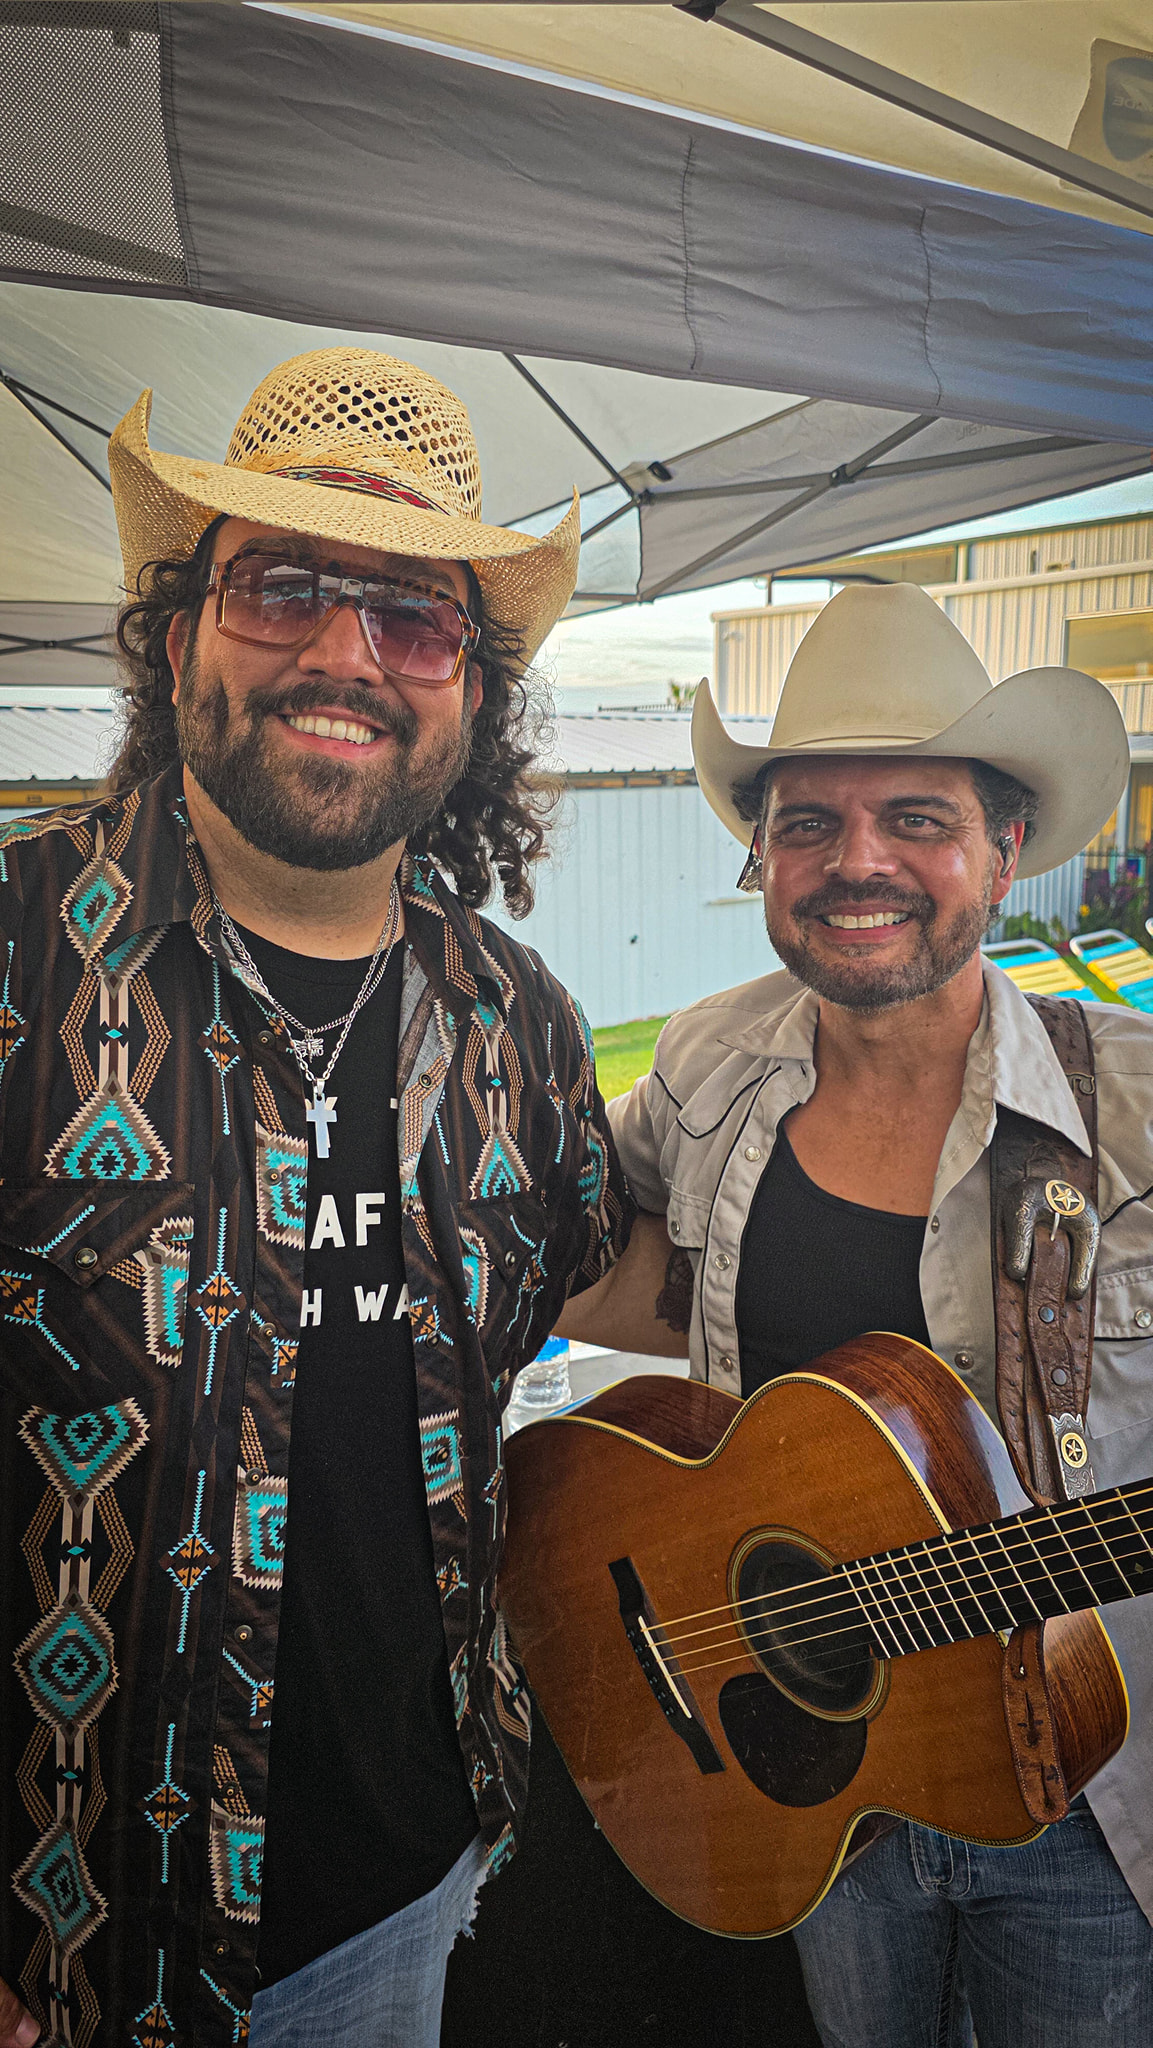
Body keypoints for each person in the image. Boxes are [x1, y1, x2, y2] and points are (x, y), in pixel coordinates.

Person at [0, 348, 630, 2048]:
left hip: (408, 1897)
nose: (346, 653)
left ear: (473, 695)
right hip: (70, 1944)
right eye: (284, 586)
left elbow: (605, 1271)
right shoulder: (15, 958)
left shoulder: (520, 1027)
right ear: (179, 637)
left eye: (416, 619)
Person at [560, 581, 1153, 2048]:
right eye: (809, 824)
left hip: (1086, 1794)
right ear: (762, 857)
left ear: (1003, 850)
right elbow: (568, 1249)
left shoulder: (1137, 1112)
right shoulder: (707, 1066)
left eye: (916, 819)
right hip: (813, 1765)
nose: (857, 862)